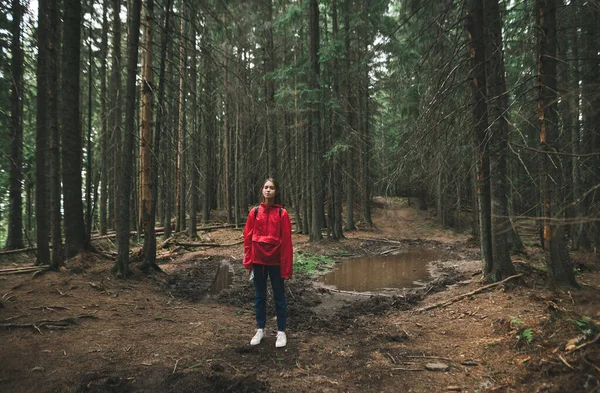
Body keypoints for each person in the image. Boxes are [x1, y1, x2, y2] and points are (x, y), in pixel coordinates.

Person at [243, 178, 293, 348]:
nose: (268, 190)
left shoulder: (282, 214)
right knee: (259, 297)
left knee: (279, 297)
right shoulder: (255, 212)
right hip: (258, 262)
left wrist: (286, 267)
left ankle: (281, 332)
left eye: (271, 188)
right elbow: (248, 238)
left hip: (276, 263)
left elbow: (287, 242)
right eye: (265, 187)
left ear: (276, 191)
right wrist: (248, 261)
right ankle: (260, 329)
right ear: (261, 190)